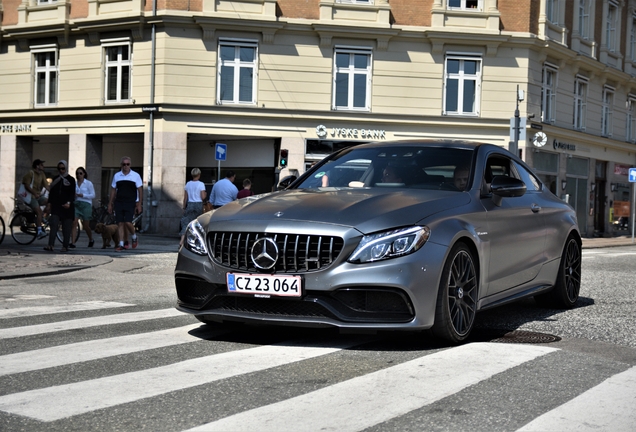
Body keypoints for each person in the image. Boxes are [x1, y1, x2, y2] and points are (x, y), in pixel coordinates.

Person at [107, 156, 143, 252]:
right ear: (121, 165)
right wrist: (110, 203)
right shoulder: (117, 176)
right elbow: (113, 190)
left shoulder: (135, 176)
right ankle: (121, 244)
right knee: (120, 223)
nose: (126, 166)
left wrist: (139, 203)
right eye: (124, 164)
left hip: (130, 202)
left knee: (128, 222)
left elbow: (140, 190)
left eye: (127, 164)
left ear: (130, 165)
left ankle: (134, 236)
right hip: (119, 201)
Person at [44, 160, 75, 252]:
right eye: (59, 168)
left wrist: (69, 203)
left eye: (63, 168)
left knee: (66, 227)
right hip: (56, 205)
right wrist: (49, 204)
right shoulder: (56, 179)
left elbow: (72, 193)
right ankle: (50, 245)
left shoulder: (71, 179)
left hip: (67, 206)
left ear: (66, 168)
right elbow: (52, 192)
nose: (61, 170)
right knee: (53, 224)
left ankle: (65, 246)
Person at [21, 159, 50, 239]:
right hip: (31, 197)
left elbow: (46, 186)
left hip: (38, 196)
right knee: (39, 212)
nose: (43, 166)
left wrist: (53, 194)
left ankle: (42, 218)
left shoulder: (42, 174)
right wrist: (34, 193)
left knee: (49, 202)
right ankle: (39, 231)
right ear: (37, 166)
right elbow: (26, 185)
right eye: (41, 165)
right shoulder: (30, 174)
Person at [180, 168, 207, 247]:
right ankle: (196, 242)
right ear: (199, 174)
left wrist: (184, 208)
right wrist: (205, 194)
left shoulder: (188, 184)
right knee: (197, 224)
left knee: (186, 223)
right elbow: (202, 197)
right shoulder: (201, 184)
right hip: (198, 204)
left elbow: (185, 198)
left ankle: (182, 240)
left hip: (190, 204)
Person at [70, 166, 95, 248]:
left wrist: (83, 195)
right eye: (77, 173)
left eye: (80, 173)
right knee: (74, 223)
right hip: (76, 203)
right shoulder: (74, 183)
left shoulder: (88, 183)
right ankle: (73, 242)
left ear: (84, 174)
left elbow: (93, 195)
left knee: (86, 225)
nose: (79, 175)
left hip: (86, 204)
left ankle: (91, 239)